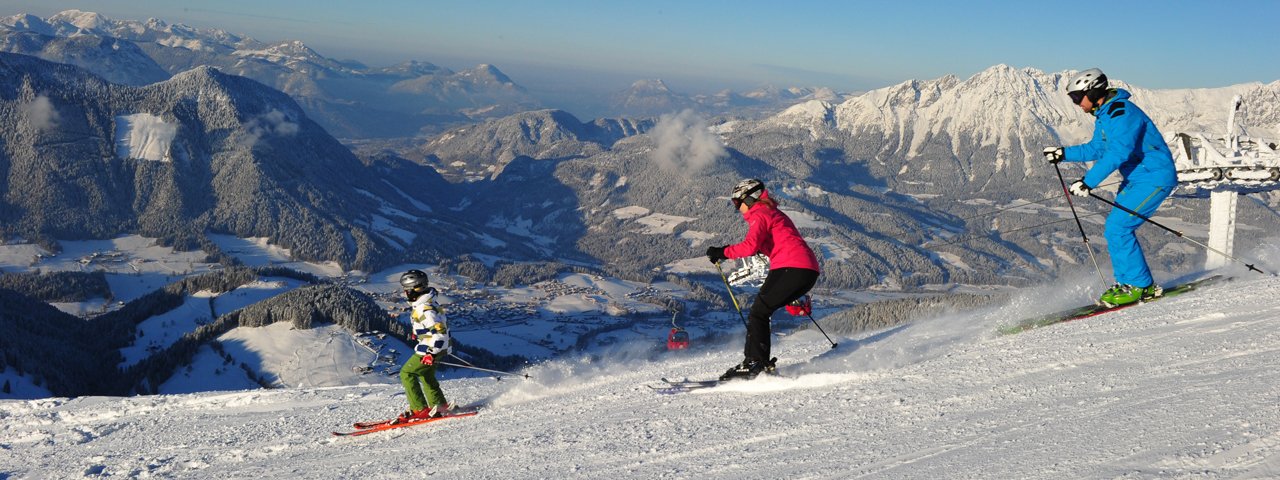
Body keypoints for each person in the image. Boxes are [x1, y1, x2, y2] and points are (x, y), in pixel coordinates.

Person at [1043, 68, 1178, 307]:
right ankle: (1129, 283)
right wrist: (1063, 153)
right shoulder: (1106, 115)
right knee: (1115, 228)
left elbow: (1118, 152)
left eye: (1077, 98)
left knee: (1119, 226)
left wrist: (1088, 182)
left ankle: (1139, 286)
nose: (1076, 104)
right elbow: (1097, 149)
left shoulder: (1122, 113)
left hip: (1154, 178)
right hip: (1137, 178)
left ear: (1093, 93)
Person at [706, 179, 821, 380]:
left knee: (759, 311)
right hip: (806, 269)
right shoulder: (773, 213)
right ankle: (759, 362)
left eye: (737, 202)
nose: (737, 207)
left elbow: (749, 246)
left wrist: (722, 252)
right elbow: (778, 241)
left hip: (791, 267)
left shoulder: (760, 213)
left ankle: (754, 363)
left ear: (750, 199)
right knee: (762, 310)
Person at [394, 269, 452, 423]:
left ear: (415, 290)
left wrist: (432, 353)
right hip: (437, 347)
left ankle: (419, 409)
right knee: (426, 375)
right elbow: (432, 327)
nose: (405, 294)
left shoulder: (424, 309)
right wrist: (418, 332)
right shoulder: (428, 303)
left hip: (430, 348)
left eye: (407, 290)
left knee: (407, 373)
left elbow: (440, 332)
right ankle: (439, 405)